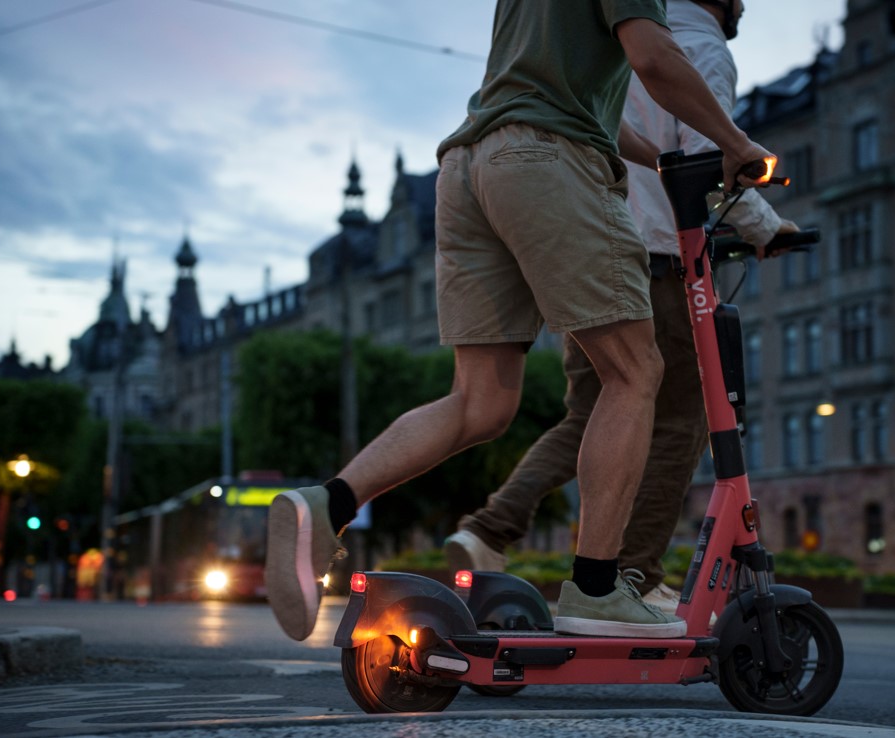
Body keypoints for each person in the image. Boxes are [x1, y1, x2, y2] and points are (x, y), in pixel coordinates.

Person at [265, 0, 776, 643]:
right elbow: (653, 56)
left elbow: (582, 101)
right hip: (547, 161)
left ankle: (327, 503)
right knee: (636, 370)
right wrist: (738, 144)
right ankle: (597, 588)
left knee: (481, 401)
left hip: (470, 165)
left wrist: (661, 163)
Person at [444, 0, 797, 614]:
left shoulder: (613, 40)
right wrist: (766, 225)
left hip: (574, 235)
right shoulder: (700, 48)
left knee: (592, 413)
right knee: (682, 417)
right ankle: (630, 579)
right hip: (657, 256)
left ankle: (488, 528)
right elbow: (707, 163)